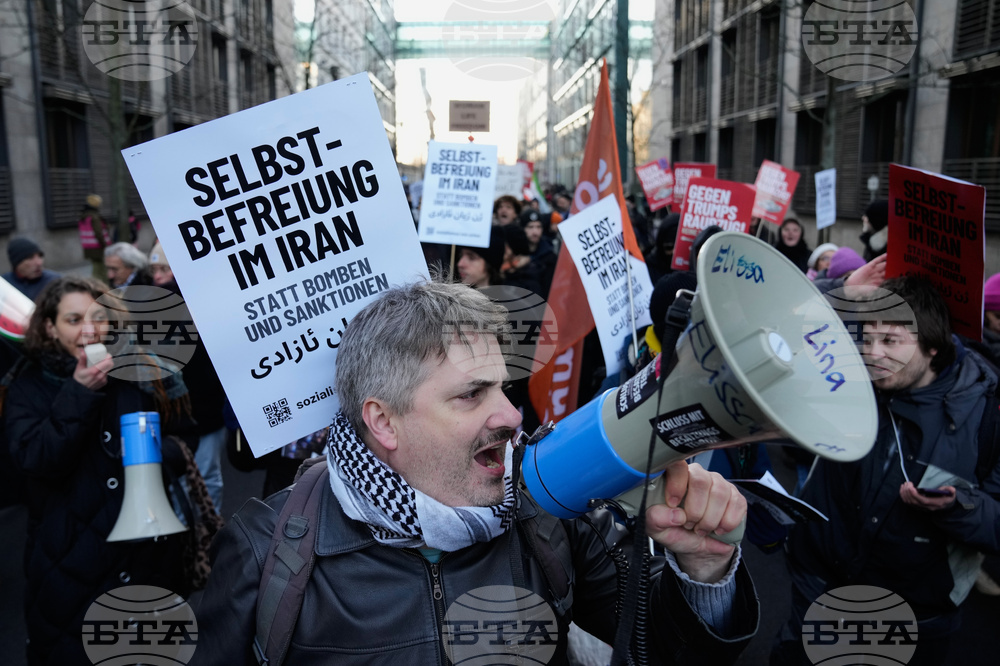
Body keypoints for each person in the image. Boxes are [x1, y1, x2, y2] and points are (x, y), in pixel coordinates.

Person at [193, 279, 759, 664]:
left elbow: (656, 647)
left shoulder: (547, 511)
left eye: (503, 389)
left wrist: (704, 571)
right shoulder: (268, 550)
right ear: (383, 422)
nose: (512, 416)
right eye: (471, 394)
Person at [772, 276, 1000, 665]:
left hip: (912, 614)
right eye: (867, 338)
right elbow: (777, 330)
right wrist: (843, 289)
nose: (872, 354)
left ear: (932, 346)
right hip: (819, 586)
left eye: (891, 341)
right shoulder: (850, 378)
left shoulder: (985, 418)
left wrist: (958, 508)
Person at [4, 276, 197, 664]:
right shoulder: (27, 387)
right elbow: (35, 460)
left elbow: (184, 439)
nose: (89, 330)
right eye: (74, 320)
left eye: (98, 318)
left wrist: (155, 454)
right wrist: (78, 393)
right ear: (50, 327)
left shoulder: (140, 373)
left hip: (145, 560)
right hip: (70, 566)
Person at [149, 242, 228, 512]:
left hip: (203, 410)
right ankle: (190, 532)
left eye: (164, 269)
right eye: (154, 270)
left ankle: (209, 530)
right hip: (173, 413)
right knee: (181, 480)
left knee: (206, 476)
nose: (158, 276)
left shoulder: (202, 302)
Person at [77, 194, 112, 281]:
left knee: (97, 266)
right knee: (100, 268)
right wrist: (105, 244)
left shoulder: (84, 217)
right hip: (98, 247)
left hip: (89, 247)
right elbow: (98, 233)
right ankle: (100, 285)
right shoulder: (95, 217)